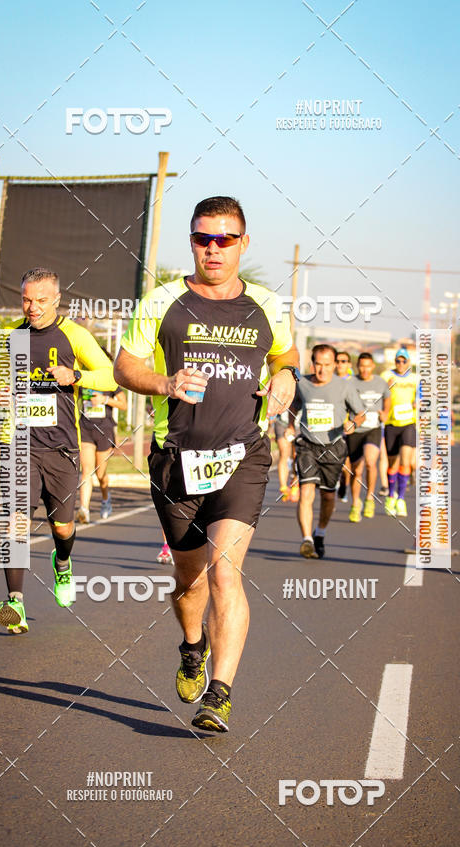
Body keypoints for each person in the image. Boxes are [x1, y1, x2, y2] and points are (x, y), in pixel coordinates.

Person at [114, 196, 297, 732]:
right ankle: (192, 646)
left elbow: (286, 353)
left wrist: (286, 374)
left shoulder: (266, 304)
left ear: (244, 243)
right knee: (190, 580)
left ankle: (219, 694)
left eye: (225, 239)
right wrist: (165, 383)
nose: (214, 249)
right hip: (176, 459)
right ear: (192, 241)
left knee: (224, 572)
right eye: (203, 238)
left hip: (243, 456)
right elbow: (125, 366)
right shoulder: (161, 302)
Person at [0, 267, 117, 634]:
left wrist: (76, 376)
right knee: (14, 524)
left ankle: (62, 564)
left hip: (62, 448)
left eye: (40, 300)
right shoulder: (11, 336)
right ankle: (14, 602)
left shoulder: (74, 335)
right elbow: (5, 388)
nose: (32, 307)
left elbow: (111, 374)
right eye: (26, 300)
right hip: (21, 446)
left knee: (62, 527)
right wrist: (6, 401)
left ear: (57, 300)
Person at [287, 344, 364, 559]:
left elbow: (360, 413)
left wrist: (353, 424)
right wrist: (290, 425)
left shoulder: (344, 386)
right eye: (318, 364)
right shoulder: (302, 383)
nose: (322, 370)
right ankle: (307, 540)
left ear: (335, 365)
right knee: (306, 491)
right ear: (312, 364)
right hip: (307, 445)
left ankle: (319, 532)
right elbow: (294, 406)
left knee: (328, 496)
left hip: (333, 446)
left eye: (327, 365)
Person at [345, 352, 391, 522]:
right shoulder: (350, 383)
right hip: (356, 429)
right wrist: (346, 422)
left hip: (373, 428)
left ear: (373, 366)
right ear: (357, 367)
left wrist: (385, 412)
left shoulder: (380, 382)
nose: (364, 369)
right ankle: (355, 503)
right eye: (361, 366)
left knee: (371, 462)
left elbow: (387, 398)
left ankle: (370, 498)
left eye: (367, 366)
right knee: (356, 470)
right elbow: (343, 403)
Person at [77, 380, 127, 523]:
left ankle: (106, 499)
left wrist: (105, 400)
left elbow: (124, 405)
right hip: (85, 428)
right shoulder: (83, 380)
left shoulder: (110, 381)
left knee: (100, 474)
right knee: (87, 470)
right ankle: (84, 509)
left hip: (104, 430)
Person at [382, 348, 418, 517]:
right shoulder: (386, 376)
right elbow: (380, 395)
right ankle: (391, 496)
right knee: (392, 464)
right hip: (391, 423)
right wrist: (387, 388)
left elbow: (423, 396)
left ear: (409, 362)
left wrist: (418, 402)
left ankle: (401, 499)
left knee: (405, 461)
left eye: (404, 361)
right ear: (395, 362)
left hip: (408, 423)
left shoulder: (415, 378)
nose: (401, 364)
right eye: (398, 361)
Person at [334, 350, 353, 503]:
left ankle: (344, 485)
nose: (340, 364)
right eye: (338, 361)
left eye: (343, 361)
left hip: (348, 427)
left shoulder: (354, 382)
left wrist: (353, 422)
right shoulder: (328, 380)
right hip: (331, 427)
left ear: (349, 364)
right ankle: (332, 487)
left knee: (346, 463)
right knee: (333, 461)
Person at [271, 411, 298, 501]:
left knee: (297, 455)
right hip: (282, 422)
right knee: (284, 453)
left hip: (299, 423)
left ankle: (295, 485)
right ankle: (284, 488)